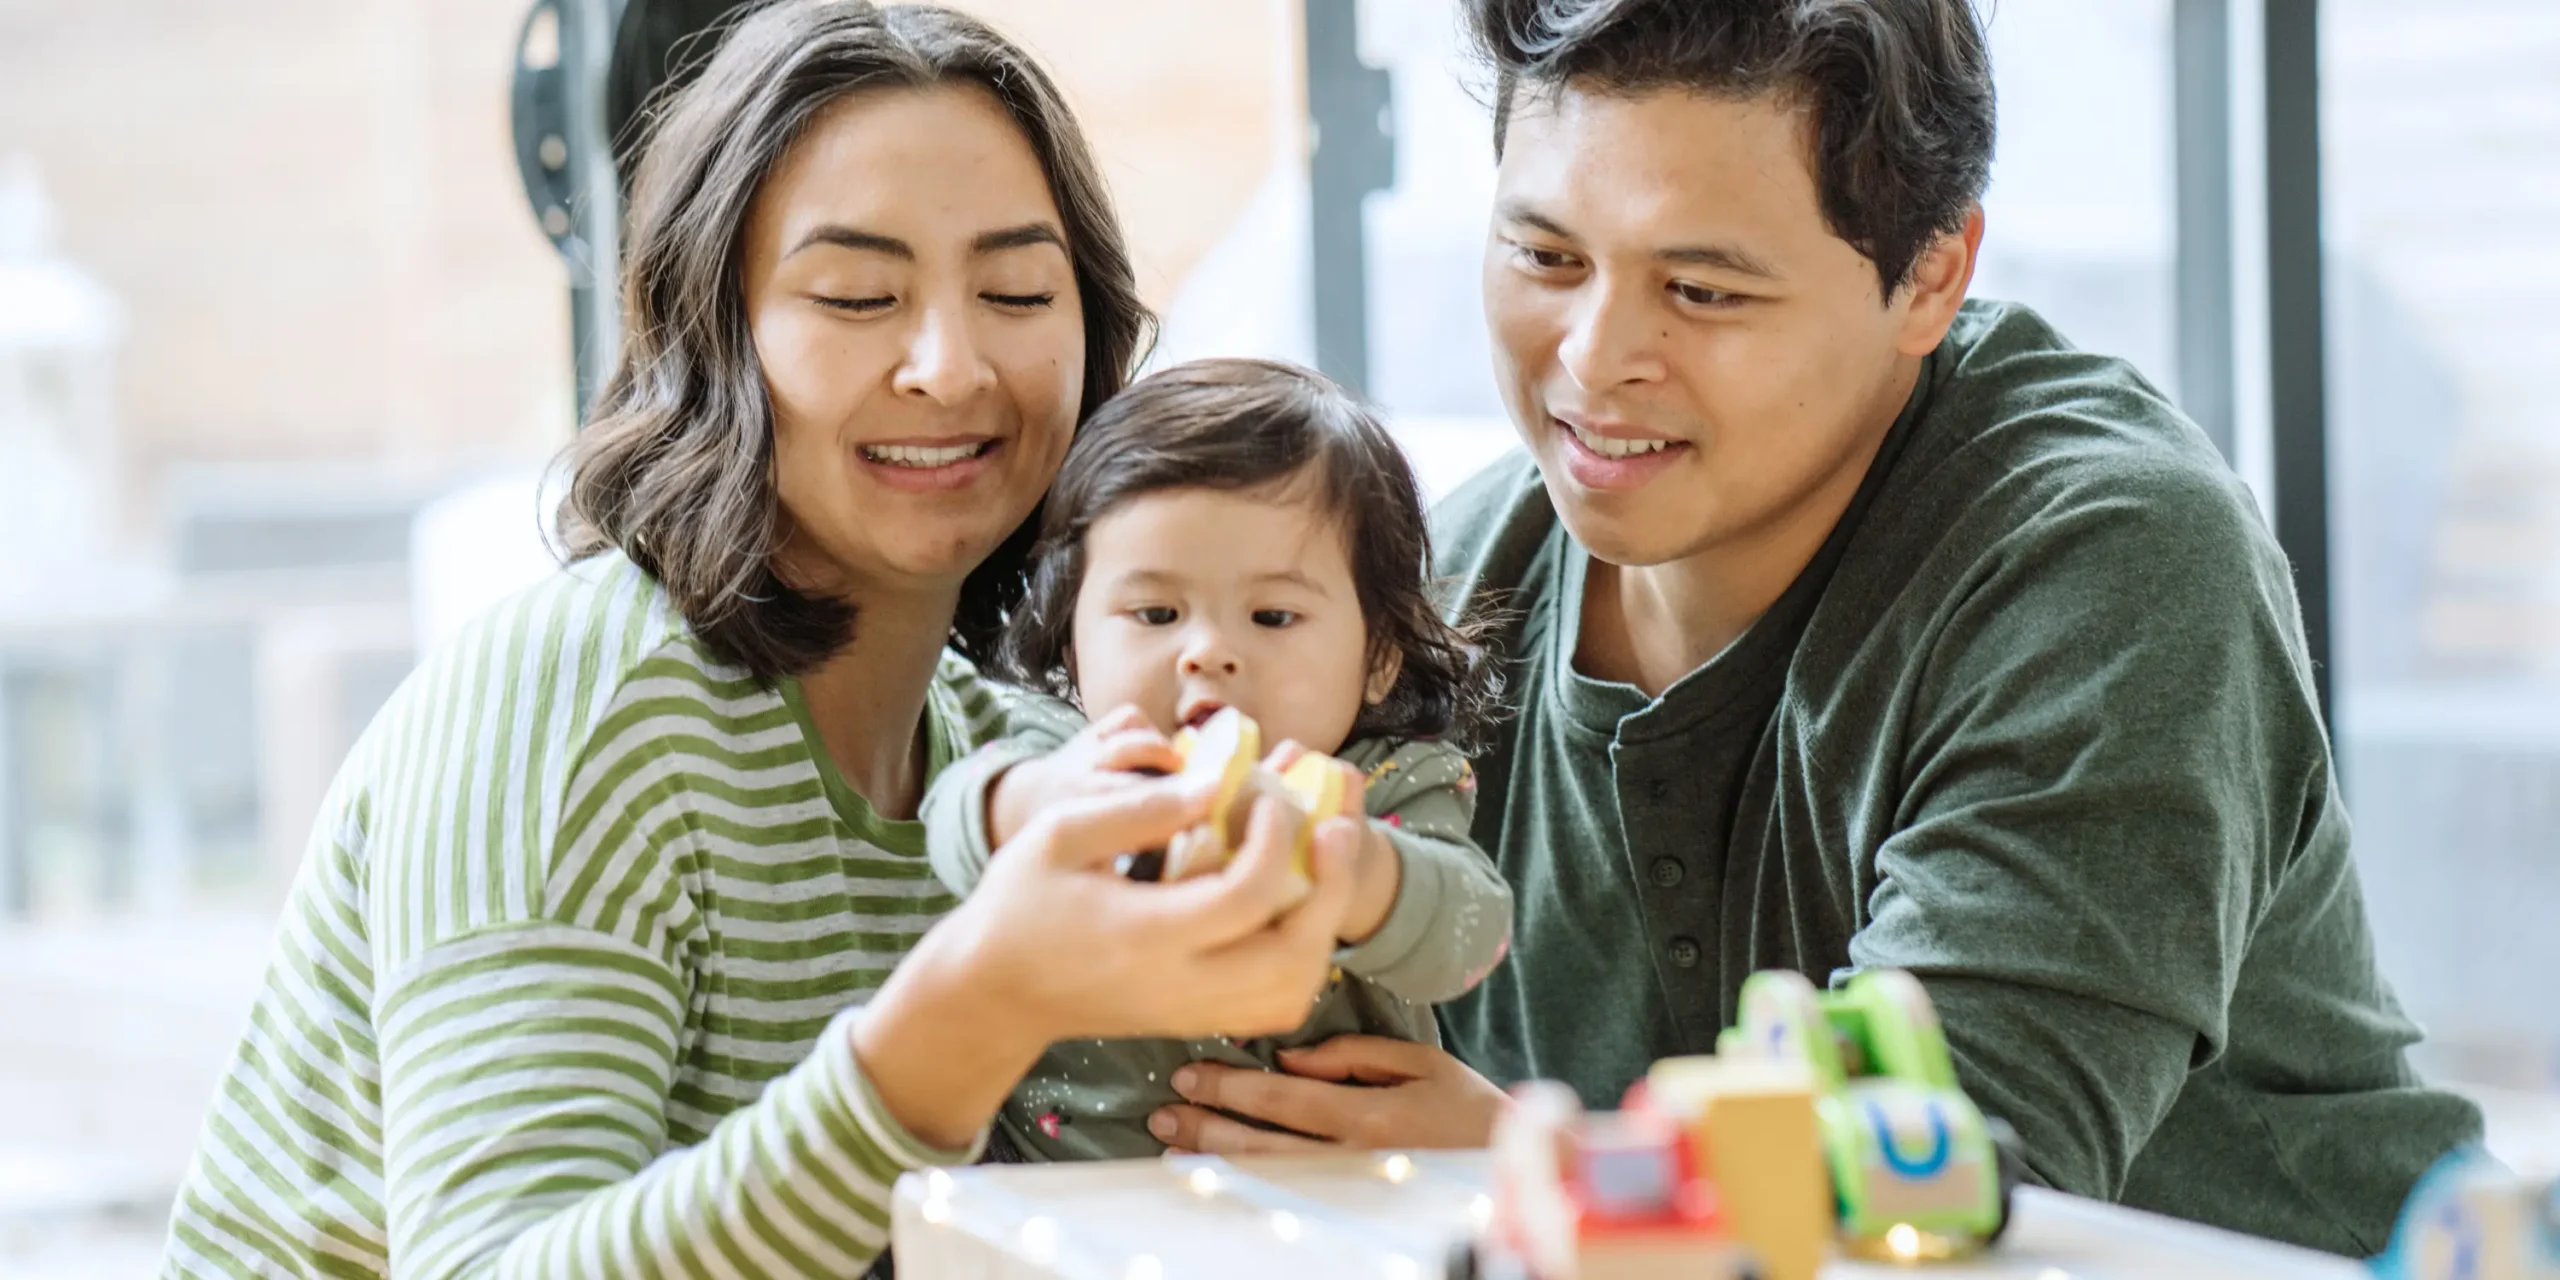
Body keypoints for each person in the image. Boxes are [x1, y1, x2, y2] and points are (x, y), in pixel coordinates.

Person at [1145, 0, 2483, 1255]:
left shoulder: (2107, 563)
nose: (1595, 358)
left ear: (1930, 277)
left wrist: (1516, 1160)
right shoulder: (1450, 596)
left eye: (1705, 291)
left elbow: (1958, 1182)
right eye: (1545, 256)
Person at [160, 5, 1369, 1276]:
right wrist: (967, 1014)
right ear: (714, 332)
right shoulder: (574, 706)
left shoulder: (1011, 753)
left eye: (1016, 288)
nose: (950, 367)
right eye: (856, 294)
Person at [916, 358, 1514, 1161]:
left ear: (1378, 655)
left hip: (1332, 1210)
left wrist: (1354, 866)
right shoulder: (1075, 758)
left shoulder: (1381, 785)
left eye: (1272, 615)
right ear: (1071, 638)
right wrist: (1027, 803)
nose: (1207, 652)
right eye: (1156, 612)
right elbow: (952, 816)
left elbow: (1472, 932)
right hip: (1065, 1211)